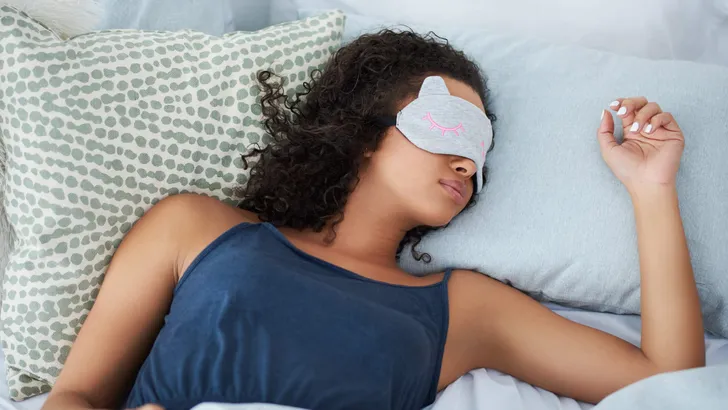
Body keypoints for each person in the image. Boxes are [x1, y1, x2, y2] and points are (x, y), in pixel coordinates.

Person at [42, 29, 705, 410]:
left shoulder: (464, 309)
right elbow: (75, 397)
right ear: (364, 131)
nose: (467, 161)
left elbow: (669, 382)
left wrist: (651, 190)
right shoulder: (192, 229)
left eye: (480, 149)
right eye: (451, 127)